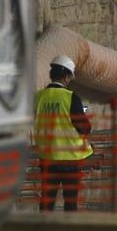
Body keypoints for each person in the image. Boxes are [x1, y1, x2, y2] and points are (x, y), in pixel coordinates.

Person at [33, 55, 92, 212]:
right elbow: (83, 128)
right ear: (66, 76)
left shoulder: (38, 98)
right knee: (70, 202)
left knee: (47, 200)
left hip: (47, 157)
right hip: (69, 159)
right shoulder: (71, 98)